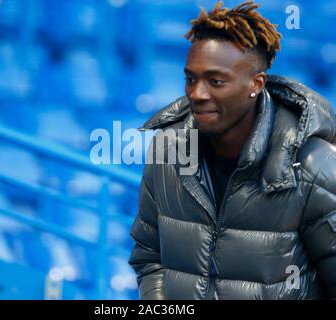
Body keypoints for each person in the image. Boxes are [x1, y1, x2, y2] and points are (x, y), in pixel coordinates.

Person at [128, 1, 336, 300]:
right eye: (190, 79)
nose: (197, 94)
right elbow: (149, 257)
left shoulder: (313, 166)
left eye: (216, 81)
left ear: (256, 83)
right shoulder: (167, 151)